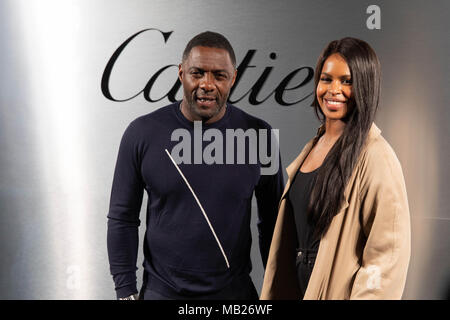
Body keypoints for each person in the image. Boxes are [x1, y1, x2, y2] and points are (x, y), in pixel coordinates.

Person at [107, 31, 283, 300]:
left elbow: (273, 222)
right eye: (197, 73)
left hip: (234, 295)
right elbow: (123, 218)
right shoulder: (141, 133)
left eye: (219, 75)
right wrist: (125, 290)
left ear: (233, 78)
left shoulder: (261, 136)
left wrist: (278, 287)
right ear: (181, 73)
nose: (207, 84)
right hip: (162, 291)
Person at [260, 37, 411, 299]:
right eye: (326, 78)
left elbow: (386, 259)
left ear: (365, 86)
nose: (334, 89)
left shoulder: (377, 156)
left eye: (347, 81)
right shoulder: (313, 146)